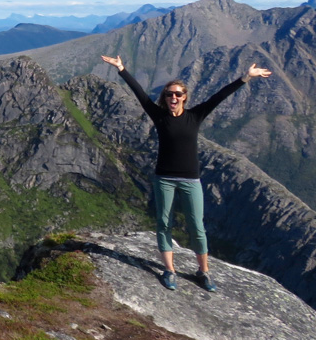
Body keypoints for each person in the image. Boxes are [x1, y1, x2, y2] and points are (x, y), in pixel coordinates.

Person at [100, 54, 271, 292]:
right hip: (164, 179)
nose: (173, 97)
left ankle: (204, 272)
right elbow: (139, 93)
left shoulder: (195, 115)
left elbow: (219, 96)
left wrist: (245, 78)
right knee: (164, 224)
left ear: (184, 97)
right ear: (165, 98)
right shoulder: (159, 116)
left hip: (191, 179)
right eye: (169, 94)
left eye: (178, 94)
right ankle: (169, 271)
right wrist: (121, 69)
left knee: (196, 226)